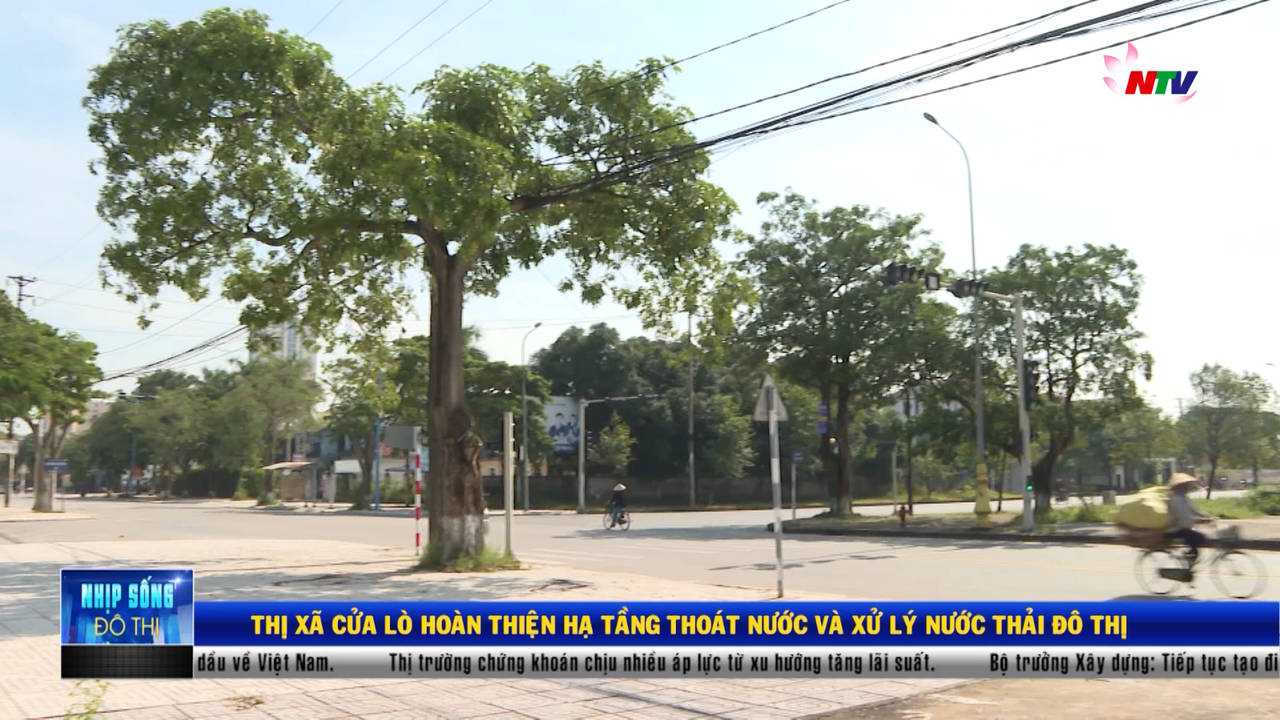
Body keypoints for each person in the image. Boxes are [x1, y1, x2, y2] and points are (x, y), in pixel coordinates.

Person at [1166, 473, 1213, 566]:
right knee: (1199, 538)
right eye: (1185, 486)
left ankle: (1188, 562)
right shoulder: (1175, 499)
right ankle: (1186, 559)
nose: (1187, 487)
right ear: (1179, 487)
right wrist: (1197, 520)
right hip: (1176, 529)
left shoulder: (1184, 498)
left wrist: (1208, 516)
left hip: (1183, 528)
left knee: (1196, 542)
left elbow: (1195, 510)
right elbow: (1182, 517)